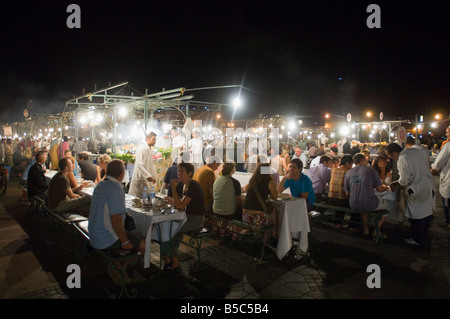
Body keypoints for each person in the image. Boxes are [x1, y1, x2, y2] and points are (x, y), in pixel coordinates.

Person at [88, 159, 145, 285]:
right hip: (105, 238)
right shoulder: (115, 188)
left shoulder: (101, 184)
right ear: (122, 173)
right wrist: (125, 241)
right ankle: (120, 269)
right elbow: (116, 218)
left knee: (132, 235)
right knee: (142, 244)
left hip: (94, 233)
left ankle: (120, 268)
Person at [386, 143, 435, 246]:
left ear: (395, 153)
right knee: (426, 213)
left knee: (416, 216)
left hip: (416, 188)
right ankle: (423, 235)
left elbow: (404, 180)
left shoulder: (402, 159)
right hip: (428, 184)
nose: (389, 157)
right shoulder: (414, 151)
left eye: (389, 155)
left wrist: (394, 183)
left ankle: (417, 239)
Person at [163, 162, 206, 272]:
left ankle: (173, 261)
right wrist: (171, 201)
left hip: (196, 220)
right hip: (187, 216)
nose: (178, 174)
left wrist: (173, 189)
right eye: (178, 171)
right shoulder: (184, 185)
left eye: (181, 172)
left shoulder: (194, 186)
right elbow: (179, 204)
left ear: (189, 173)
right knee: (167, 227)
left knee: (172, 230)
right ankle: (169, 258)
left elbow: (180, 206)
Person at [344, 153, 390, 238]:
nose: (367, 162)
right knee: (387, 205)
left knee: (364, 207)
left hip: (353, 204)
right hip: (368, 203)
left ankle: (366, 229)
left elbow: (347, 193)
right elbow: (379, 189)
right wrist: (386, 187)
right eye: (366, 160)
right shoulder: (370, 170)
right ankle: (376, 231)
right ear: (362, 160)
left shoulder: (348, 172)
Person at [212, 161, 243, 239]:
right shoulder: (235, 182)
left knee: (226, 205)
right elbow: (238, 201)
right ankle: (235, 234)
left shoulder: (217, 180)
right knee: (239, 209)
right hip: (228, 212)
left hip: (216, 210)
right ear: (232, 169)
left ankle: (223, 231)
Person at [243, 163, 278, 228]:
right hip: (259, 217)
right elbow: (275, 197)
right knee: (274, 210)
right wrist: (272, 179)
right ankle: (273, 235)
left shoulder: (252, 181)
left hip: (246, 216)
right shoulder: (269, 181)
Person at [326, 155, 354, 230]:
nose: (352, 166)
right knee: (354, 205)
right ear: (348, 163)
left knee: (341, 201)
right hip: (341, 200)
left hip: (330, 198)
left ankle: (337, 223)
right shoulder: (348, 172)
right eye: (351, 164)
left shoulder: (334, 170)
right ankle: (351, 226)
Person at [128, 132, 157, 198]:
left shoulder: (149, 149)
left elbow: (151, 164)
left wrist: (153, 176)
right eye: (153, 139)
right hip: (140, 178)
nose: (154, 141)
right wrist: (148, 176)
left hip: (145, 178)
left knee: (144, 199)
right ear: (148, 139)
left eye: (155, 140)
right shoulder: (142, 149)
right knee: (136, 199)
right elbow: (140, 165)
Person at [431, 139, 450, 227]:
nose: (446, 135)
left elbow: (437, 163)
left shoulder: (448, 146)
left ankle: (448, 221)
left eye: (447, 132)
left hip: (448, 180)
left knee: (447, 203)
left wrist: (432, 170)